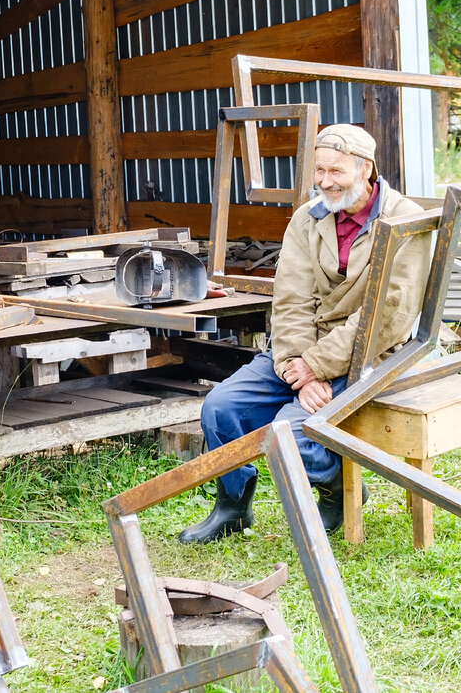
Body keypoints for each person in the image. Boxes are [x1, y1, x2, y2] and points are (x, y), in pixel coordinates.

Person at [180, 123, 432, 543]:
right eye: (319, 171)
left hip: (369, 352)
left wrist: (316, 367)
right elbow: (291, 298)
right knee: (220, 407)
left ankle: (334, 489)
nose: (325, 182)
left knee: (292, 432)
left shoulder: (405, 220)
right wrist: (296, 363)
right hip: (301, 351)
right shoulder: (308, 216)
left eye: (336, 172)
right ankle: (233, 506)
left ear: (366, 168)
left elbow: (390, 315)